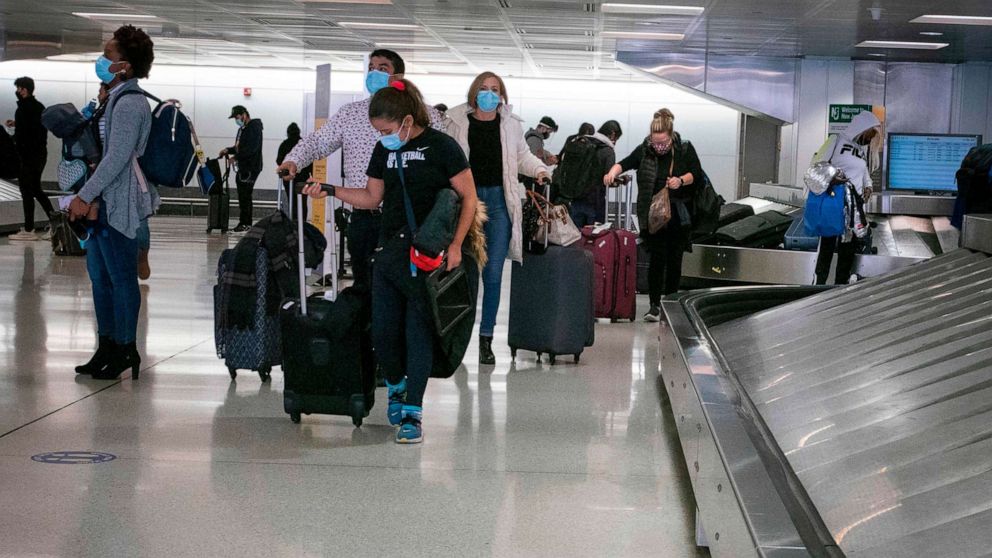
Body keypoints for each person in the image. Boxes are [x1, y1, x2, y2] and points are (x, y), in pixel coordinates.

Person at [302, 79, 480, 444]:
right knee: (383, 331)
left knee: (418, 332)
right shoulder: (385, 150)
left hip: (428, 255)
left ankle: (412, 411)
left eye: (385, 130)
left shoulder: (442, 147)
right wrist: (331, 190)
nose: (382, 136)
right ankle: (396, 386)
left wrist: (458, 245)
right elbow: (371, 197)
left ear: (407, 120)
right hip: (390, 251)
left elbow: (469, 198)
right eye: (377, 131)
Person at [278, 49, 445, 291]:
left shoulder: (426, 115)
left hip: (409, 219)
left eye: (382, 68)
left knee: (407, 288)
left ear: (398, 77)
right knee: (365, 288)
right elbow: (318, 141)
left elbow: (442, 161)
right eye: (371, 67)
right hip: (365, 218)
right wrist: (293, 160)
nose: (374, 73)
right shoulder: (351, 114)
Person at [443, 71, 551, 365]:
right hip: (468, 203)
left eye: (495, 89)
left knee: (493, 276)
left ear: (502, 95)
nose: (489, 94)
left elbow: (522, 157)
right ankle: (459, 336)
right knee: (465, 275)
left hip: (501, 202)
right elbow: (446, 160)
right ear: (474, 93)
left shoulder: (510, 125)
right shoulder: (456, 122)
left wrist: (540, 170)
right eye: (484, 88)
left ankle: (486, 339)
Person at [67, 24, 156, 380]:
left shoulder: (131, 103)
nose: (102, 61)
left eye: (109, 56)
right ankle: (105, 345)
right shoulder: (112, 99)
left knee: (121, 278)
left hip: (119, 204)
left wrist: (86, 195)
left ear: (126, 66)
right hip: (102, 202)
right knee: (99, 278)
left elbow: (118, 157)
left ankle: (125, 348)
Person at [605, 108, 702, 322]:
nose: (659, 147)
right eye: (656, 143)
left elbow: (697, 173)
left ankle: (671, 302)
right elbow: (626, 162)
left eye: (663, 143)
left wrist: (680, 180)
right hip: (654, 216)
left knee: (674, 261)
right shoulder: (645, 150)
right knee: (656, 260)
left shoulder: (684, 148)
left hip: (677, 214)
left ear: (671, 136)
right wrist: (613, 171)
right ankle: (654, 306)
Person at [813, 111, 881, 285]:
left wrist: (868, 186)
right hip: (833, 203)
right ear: (862, 128)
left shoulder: (859, 151)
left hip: (853, 210)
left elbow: (864, 173)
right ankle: (818, 286)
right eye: (870, 134)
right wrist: (831, 178)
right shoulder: (836, 141)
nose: (870, 138)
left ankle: (840, 287)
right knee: (827, 247)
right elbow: (816, 166)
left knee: (847, 250)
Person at [6, 77, 54, 241]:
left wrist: (10, 138)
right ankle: (53, 224)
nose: (18, 91)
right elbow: (34, 130)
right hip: (39, 154)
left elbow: (22, 136)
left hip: (27, 156)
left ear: (24, 89)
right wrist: (17, 124)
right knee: (35, 189)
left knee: (27, 191)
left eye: (19, 88)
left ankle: (29, 229)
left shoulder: (23, 109)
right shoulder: (39, 107)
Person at [568, 120, 622, 228]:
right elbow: (608, 177)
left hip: (575, 199)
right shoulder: (608, 151)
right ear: (612, 134)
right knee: (594, 238)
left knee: (575, 237)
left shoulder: (580, 143)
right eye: (616, 138)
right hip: (596, 201)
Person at [221, 105, 263, 233]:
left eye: (237, 117)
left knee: (245, 195)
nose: (236, 120)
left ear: (244, 114)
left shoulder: (254, 128)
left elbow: (252, 148)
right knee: (243, 195)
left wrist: (236, 157)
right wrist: (228, 150)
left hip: (251, 167)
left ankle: (246, 223)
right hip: (244, 166)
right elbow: (240, 147)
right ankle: (244, 222)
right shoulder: (243, 129)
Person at [276, 122, 312, 221]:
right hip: (303, 177)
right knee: (303, 201)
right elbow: (310, 161)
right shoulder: (303, 144)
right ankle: (303, 223)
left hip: (288, 177)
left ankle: (293, 221)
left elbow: (279, 160)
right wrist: (310, 174)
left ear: (288, 133)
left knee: (291, 200)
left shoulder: (284, 144)